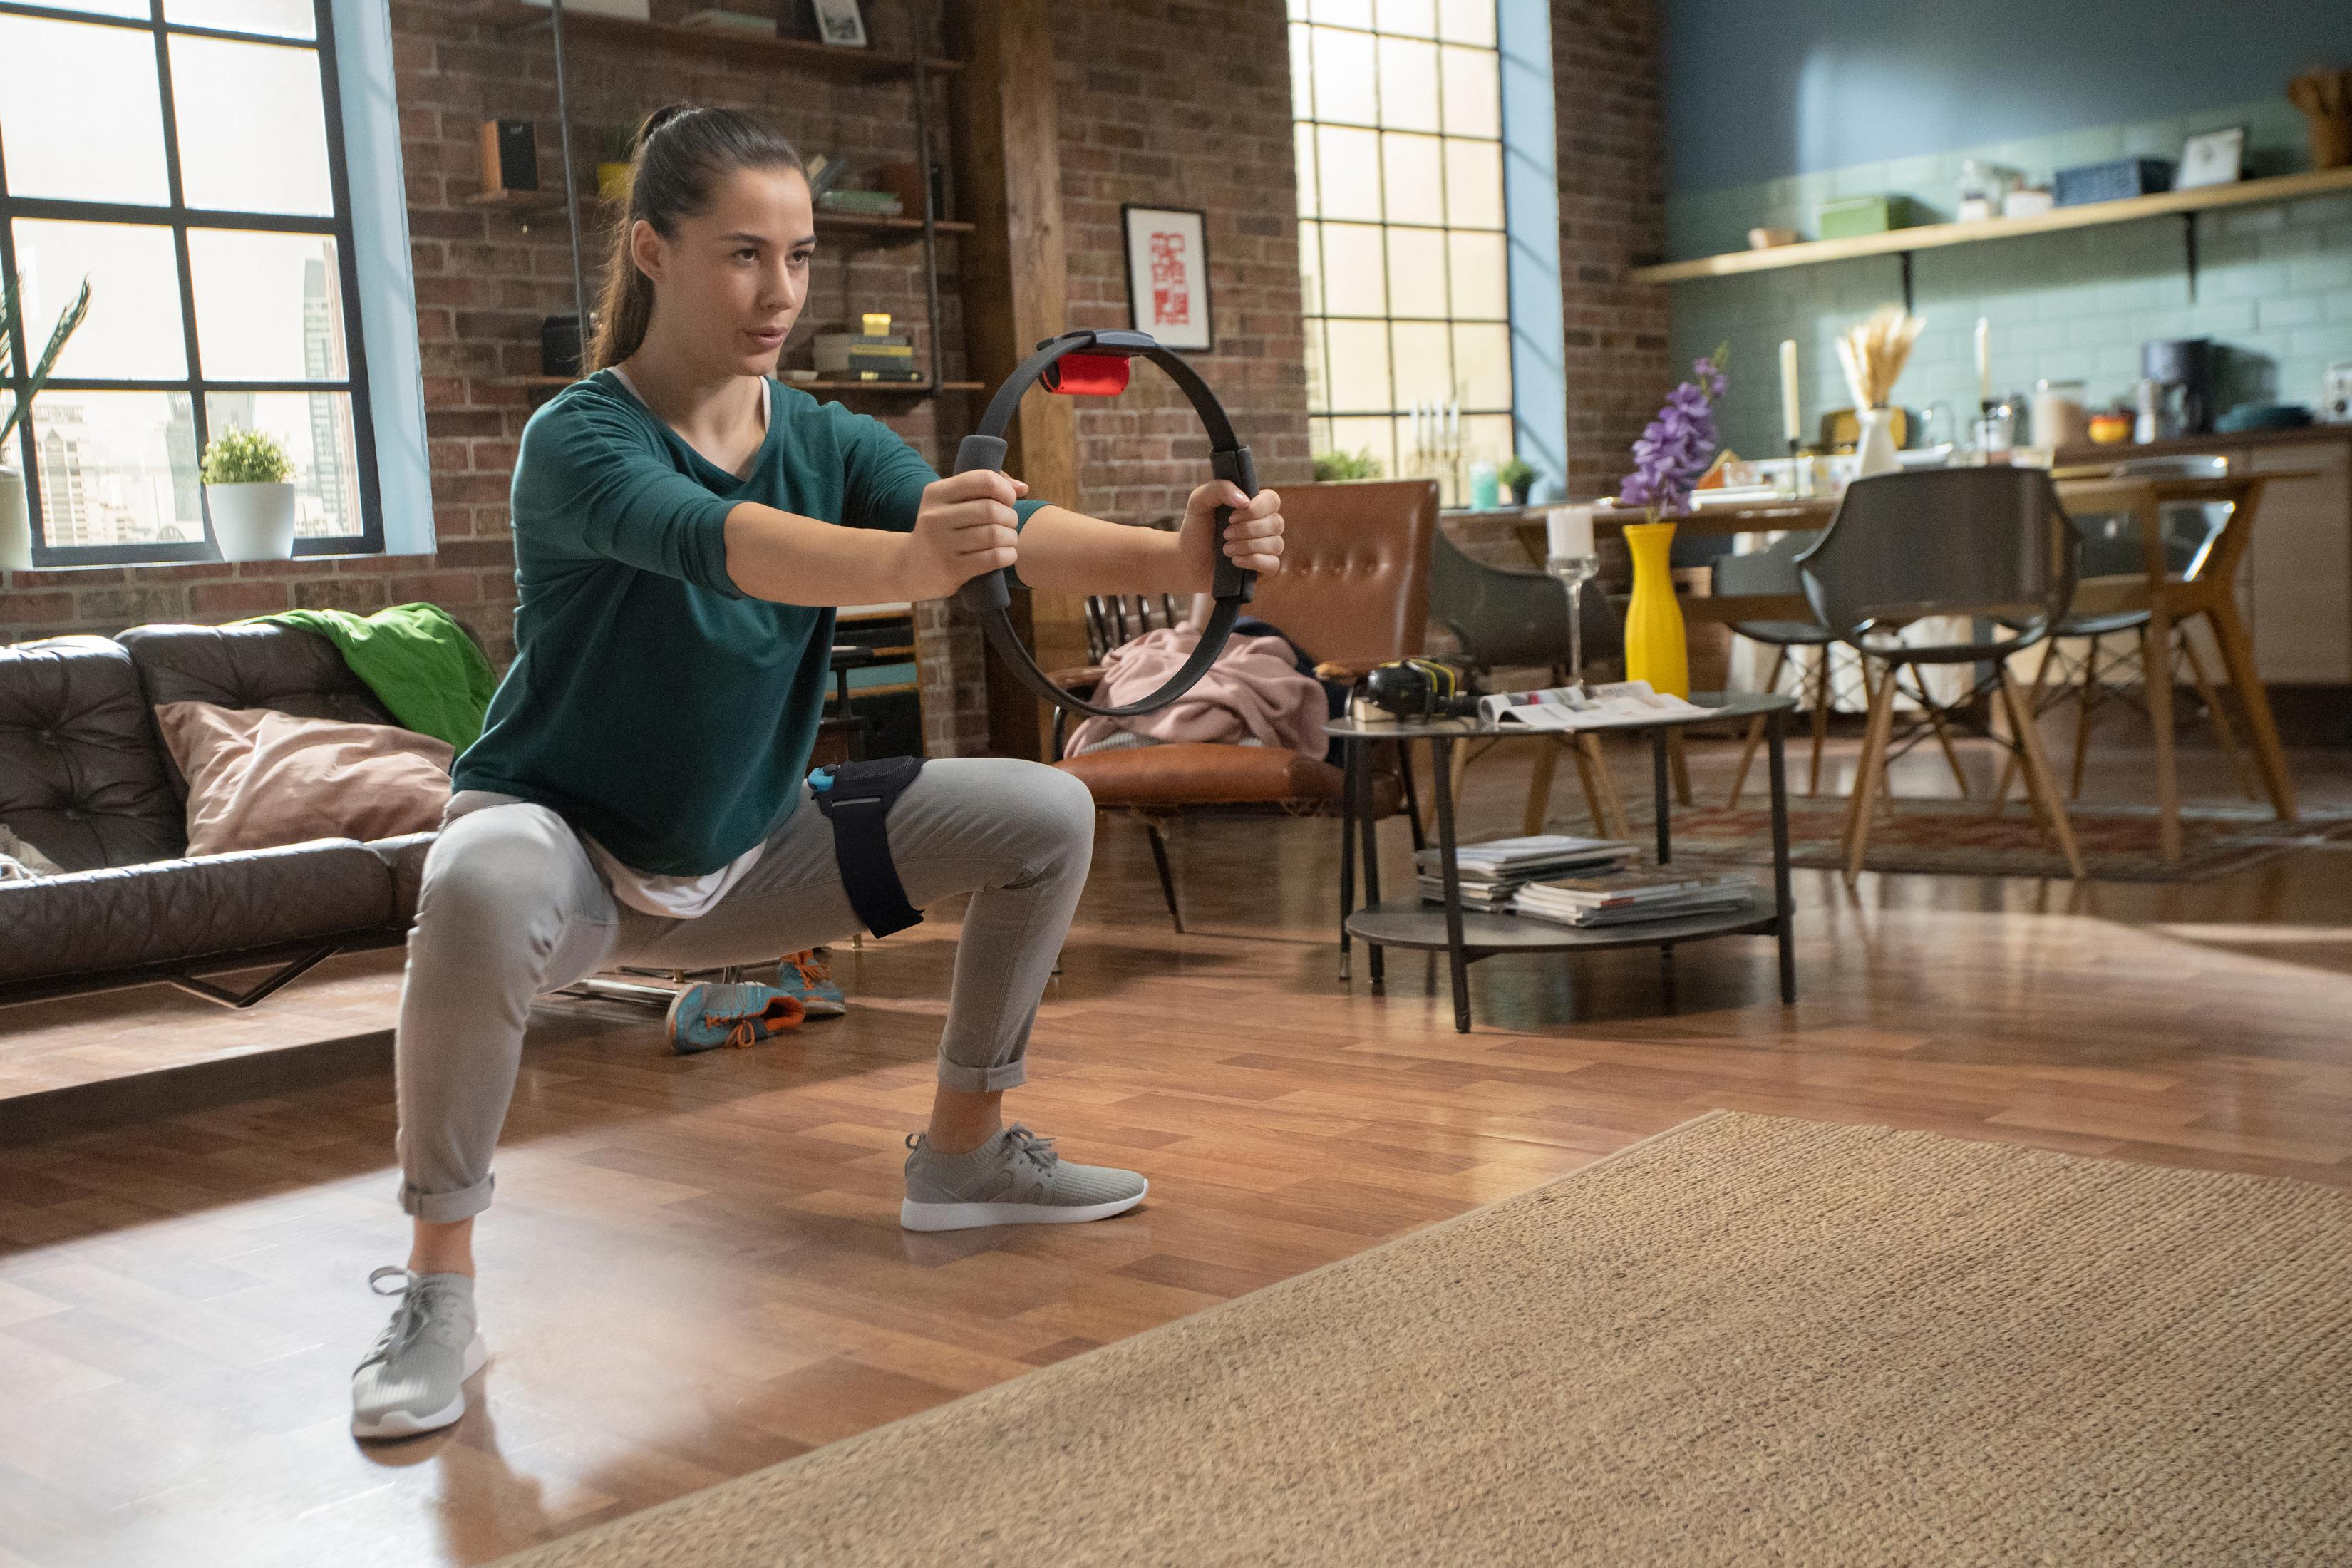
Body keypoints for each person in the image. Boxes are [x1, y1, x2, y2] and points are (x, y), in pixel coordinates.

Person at [351, 105, 1284, 1440]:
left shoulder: (832, 436)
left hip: (749, 850)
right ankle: (438, 1292)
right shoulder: (579, 438)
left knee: (1048, 810)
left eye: (798, 256)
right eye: (743, 254)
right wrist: (910, 565)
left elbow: (999, 530)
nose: (780, 292)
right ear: (653, 253)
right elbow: (720, 541)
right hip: (572, 856)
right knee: (481, 872)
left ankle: (965, 1154)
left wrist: (1184, 555)